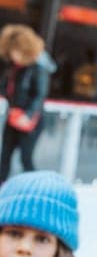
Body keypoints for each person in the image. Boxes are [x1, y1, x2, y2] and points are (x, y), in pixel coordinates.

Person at [0, 25, 56, 183]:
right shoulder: (15, 69)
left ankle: (34, 188)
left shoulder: (38, 68)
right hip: (12, 118)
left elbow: (40, 96)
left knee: (26, 159)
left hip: (31, 121)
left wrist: (29, 115)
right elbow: (7, 90)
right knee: (4, 157)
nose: (13, 55)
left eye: (15, 51)